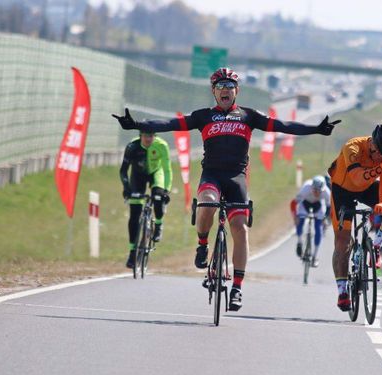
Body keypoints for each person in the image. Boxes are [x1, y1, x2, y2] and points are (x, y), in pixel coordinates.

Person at [113, 67, 341, 311]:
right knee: (208, 203)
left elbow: (282, 125)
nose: (225, 91)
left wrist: (315, 128)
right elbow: (170, 123)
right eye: (220, 87)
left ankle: (237, 288)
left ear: (236, 91)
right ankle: (202, 244)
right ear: (213, 91)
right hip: (212, 175)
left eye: (230, 87)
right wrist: (137, 124)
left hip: (236, 178)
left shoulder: (248, 116)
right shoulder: (203, 116)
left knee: (240, 229)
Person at [328, 121, 382, 311]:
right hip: (343, 190)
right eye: (379, 153)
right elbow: (356, 178)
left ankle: (377, 244)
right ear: (372, 143)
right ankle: (342, 291)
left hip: (367, 187)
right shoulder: (353, 147)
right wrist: (381, 167)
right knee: (342, 241)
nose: (381, 157)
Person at [119, 130, 172, 269]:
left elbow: (167, 169)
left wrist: (166, 189)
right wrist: (126, 188)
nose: (148, 139)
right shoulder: (132, 147)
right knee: (135, 213)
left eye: (151, 136)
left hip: (156, 173)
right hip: (138, 176)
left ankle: (159, 224)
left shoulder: (162, 145)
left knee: (158, 198)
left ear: (155, 136)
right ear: (140, 136)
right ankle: (132, 252)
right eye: (145, 136)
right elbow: (123, 170)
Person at [292, 175, 331, 267]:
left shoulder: (326, 193)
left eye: (319, 191)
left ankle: (314, 256)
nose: (316, 193)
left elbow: (329, 208)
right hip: (305, 203)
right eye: (314, 190)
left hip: (318, 206)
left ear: (323, 190)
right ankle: (299, 242)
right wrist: (295, 216)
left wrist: (325, 219)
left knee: (319, 229)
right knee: (300, 222)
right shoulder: (306, 188)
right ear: (311, 187)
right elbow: (293, 203)